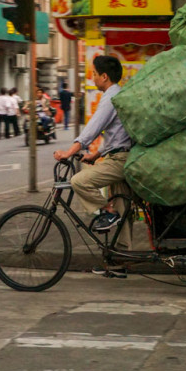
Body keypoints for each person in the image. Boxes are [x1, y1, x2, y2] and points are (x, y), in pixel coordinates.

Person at [53, 56, 132, 238]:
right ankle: (123, 259)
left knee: (79, 181)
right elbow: (117, 134)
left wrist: (69, 152)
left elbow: (92, 129)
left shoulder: (111, 97)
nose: (92, 77)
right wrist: (96, 155)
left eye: (94, 74)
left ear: (104, 76)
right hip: (120, 156)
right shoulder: (117, 94)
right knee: (123, 211)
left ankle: (107, 211)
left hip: (119, 160)